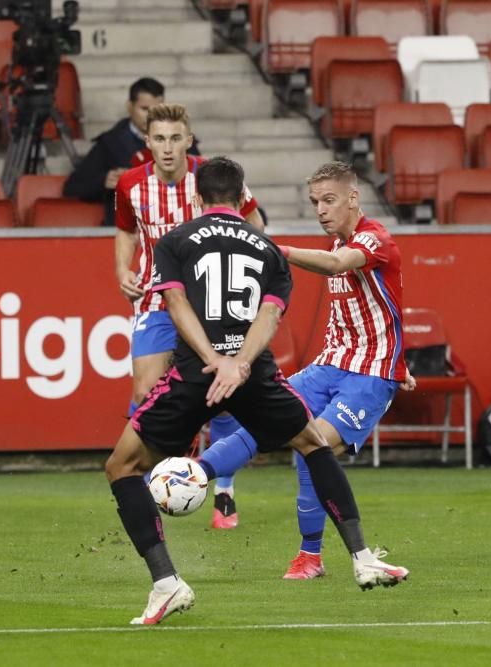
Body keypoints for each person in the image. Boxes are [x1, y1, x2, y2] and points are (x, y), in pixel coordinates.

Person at [104, 156, 409, 625]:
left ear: (195, 196)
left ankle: (167, 583)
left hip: (196, 374)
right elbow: (269, 316)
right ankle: (362, 557)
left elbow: (176, 303)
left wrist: (212, 361)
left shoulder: (173, 241)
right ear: (242, 195)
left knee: (122, 467)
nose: (321, 209)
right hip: (252, 372)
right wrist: (240, 363)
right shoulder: (264, 246)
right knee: (311, 443)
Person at [198, 160, 415, 580]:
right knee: (267, 415)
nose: (320, 210)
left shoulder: (374, 240)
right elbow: (368, 311)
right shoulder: (335, 246)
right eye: (315, 202)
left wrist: (274, 249)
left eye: (329, 200)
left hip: (368, 377)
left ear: (354, 198)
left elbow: (339, 266)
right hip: (330, 365)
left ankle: (311, 555)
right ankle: (193, 475)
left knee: (311, 443)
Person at [114, 103, 263, 530]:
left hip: (210, 300)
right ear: (147, 142)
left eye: (175, 138)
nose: (167, 147)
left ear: (189, 139)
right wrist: (122, 269)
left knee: (221, 396)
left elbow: (252, 220)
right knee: (145, 391)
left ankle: (224, 489)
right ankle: (144, 489)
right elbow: (126, 231)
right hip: (156, 300)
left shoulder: (214, 179)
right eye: (159, 138)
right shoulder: (130, 186)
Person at [62, 77, 200, 227]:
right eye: (145, 109)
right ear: (129, 107)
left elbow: (204, 183)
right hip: (126, 231)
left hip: (175, 229)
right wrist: (104, 181)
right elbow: (72, 187)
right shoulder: (110, 143)